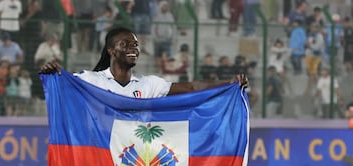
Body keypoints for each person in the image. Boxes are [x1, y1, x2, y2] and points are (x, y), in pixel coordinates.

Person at [40, 27, 247, 98]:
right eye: (126, 43)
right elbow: (61, 84)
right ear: (111, 50)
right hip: (100, 158)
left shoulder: (149, 85)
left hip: (136, 162)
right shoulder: (92, 80)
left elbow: (193, 87)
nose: (134, 48)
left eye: (136, 44)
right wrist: (52, 74)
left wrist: (229, 82)